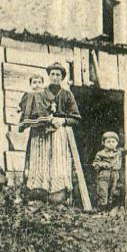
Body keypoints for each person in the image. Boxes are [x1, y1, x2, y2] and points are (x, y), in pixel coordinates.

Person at [21, 62, 80, 203]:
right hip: (39, 134)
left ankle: (58, 196)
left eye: (58, 75)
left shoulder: (67, 94)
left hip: (58, 133)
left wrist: (63, 121)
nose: (54, 77)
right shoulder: (39, 93)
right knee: (39, 162)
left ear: (62, 77)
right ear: (48, 76)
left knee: (57, 162)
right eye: (52, 74)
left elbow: (76, 118)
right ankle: (37, 193)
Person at [89, 131, 123, 210]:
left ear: (117, 143)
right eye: (108, 142)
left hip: (115, 174)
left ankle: (110, 208)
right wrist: (103, 165)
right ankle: (102, 208)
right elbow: (95, 163)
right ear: (103, 143)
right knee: (103, 191)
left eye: (113, 141)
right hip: (104, 175)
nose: (111, 143)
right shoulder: (101, 153)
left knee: (113, 191)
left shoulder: (119, 152)